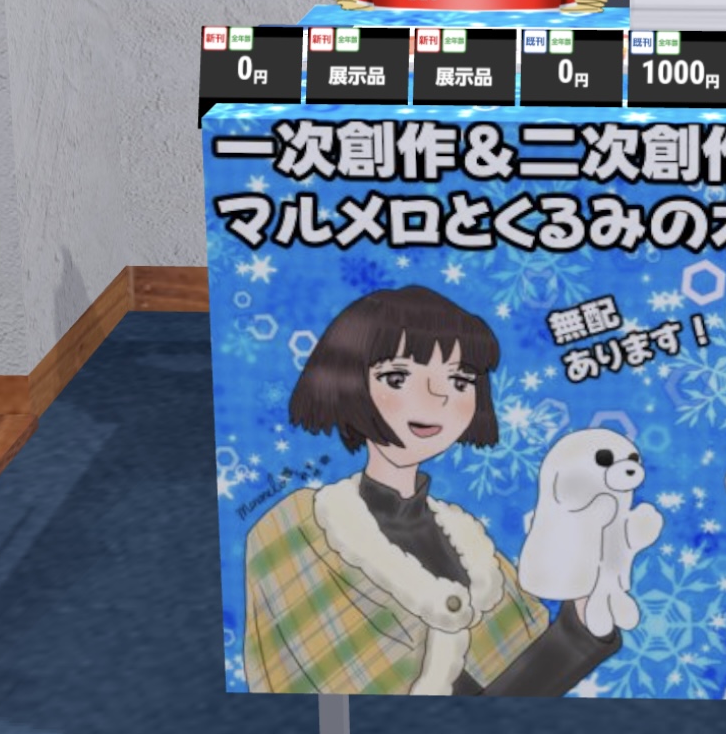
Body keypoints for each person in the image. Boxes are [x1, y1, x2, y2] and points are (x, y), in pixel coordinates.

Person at [243, 285, 621, 695]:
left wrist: (583, 625)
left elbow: (519, 691)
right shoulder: (295, 528)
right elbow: (310, 695)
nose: (438, 397)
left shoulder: (471, 545)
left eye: (459, 380)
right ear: (344, 380)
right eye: (398, 377)